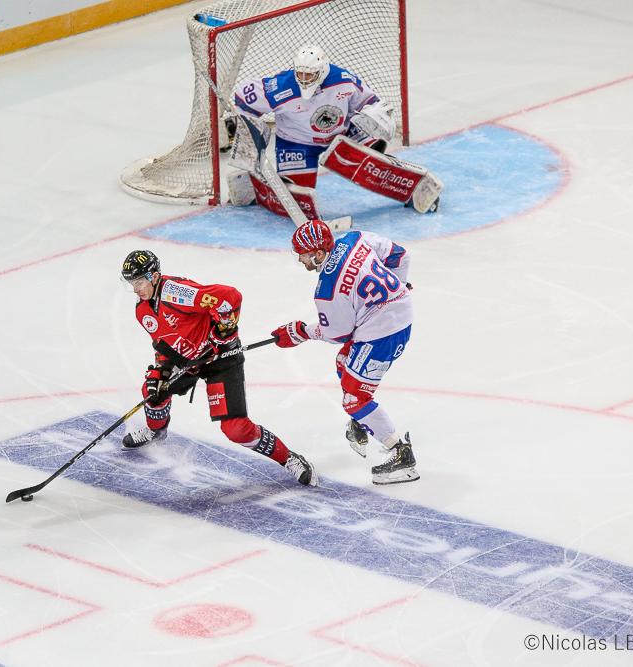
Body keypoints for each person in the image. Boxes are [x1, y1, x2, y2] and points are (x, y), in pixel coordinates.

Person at [120, 249, 317, 487]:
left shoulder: (177, 293)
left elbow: (230, 297)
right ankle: (156, 431)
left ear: (153, 276)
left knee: (236, 429)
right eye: (131, 283)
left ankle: (288, 458)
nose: (135, 289)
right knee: (152, 391)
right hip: (189, 362)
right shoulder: (142, 311)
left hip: (220, 358)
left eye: (139, 282)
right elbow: (165, 345)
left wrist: (223, 332)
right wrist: (161, 370)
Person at [270, 220, 418, 485]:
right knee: (344, 361)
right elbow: (400, 255)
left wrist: (300, 331)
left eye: (303, 254)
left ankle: (402, 455)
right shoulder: (355, 238)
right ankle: (364, 421)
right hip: (395, 314)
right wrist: (399, 287)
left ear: (318, 253)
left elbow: (337, 334)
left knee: (354, 399)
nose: (300, 259)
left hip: (383, 333)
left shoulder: (327, 289)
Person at [228, 44, 442, 218]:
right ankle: (252, 187)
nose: (304, 79)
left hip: (342, 133)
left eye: (310, 75)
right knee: (299, 200)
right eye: (300, 74)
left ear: (322, 71)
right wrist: (248, 127)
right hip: (296, 142)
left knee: (372, 161)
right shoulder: (280, 87)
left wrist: (377, 116)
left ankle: (412, 188)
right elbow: (242, 97)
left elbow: (370, 101)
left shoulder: (343, 81)